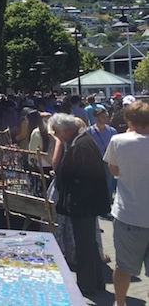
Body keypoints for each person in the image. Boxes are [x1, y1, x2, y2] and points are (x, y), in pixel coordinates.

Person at [50, 112, 109, 297]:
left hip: (83, 204)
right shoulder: (79, 141)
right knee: (87, 244)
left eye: (56, 132)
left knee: (85, 246)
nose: (56, 136)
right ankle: (94, 282)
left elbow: (85, 176)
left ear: (66, 130)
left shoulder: (81, 145)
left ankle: (87, 286)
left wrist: (75, 198)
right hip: (84, 203)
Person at [103, 101, 149, 306]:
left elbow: (114, 170)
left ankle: (120, 303)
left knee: (123, 267)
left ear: (129, 121)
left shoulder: (118, 140)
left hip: (129, 214)